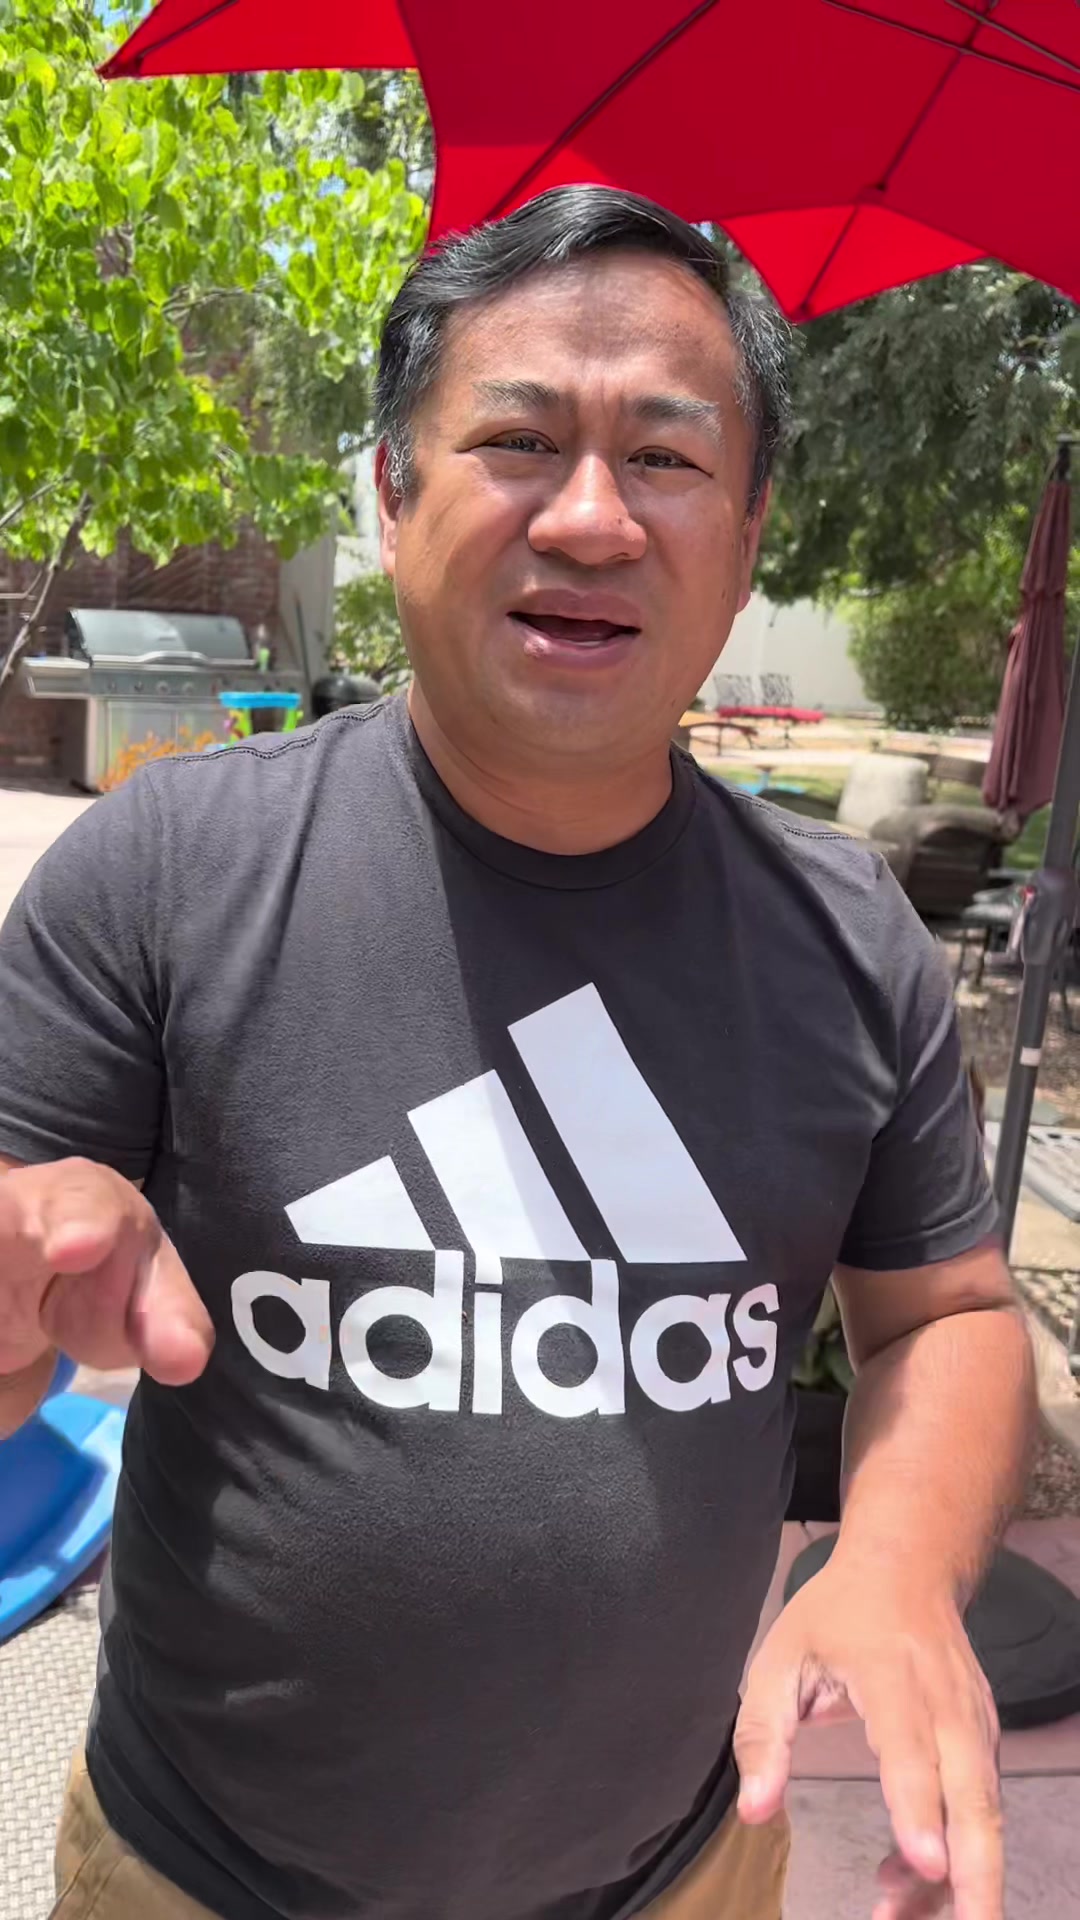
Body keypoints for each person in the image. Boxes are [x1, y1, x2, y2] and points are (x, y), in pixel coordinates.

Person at [0, 188, 1033, 1920]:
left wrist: (901, 1565)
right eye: (518, 439)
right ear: (392, 495)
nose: (592, 517)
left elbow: (950, 1316)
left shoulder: (852, 941)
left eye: (667, 458)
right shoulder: (167, 874)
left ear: (750, 536)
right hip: (202, 1877)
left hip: (683, 1871)